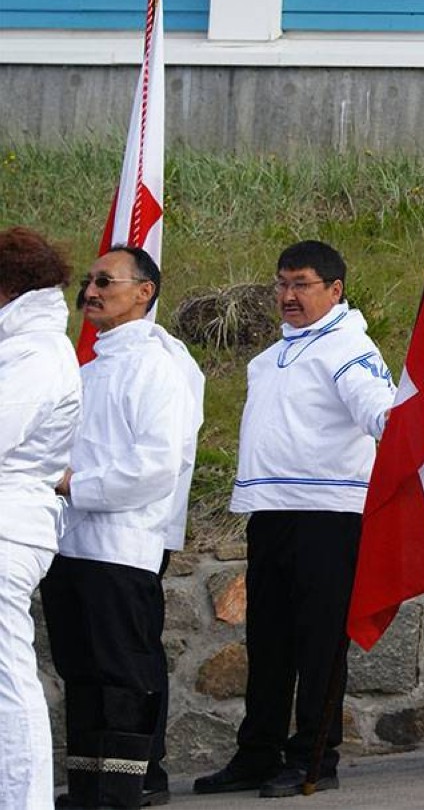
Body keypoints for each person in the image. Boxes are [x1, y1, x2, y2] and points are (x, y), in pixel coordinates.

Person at [195, 241, 395, 798]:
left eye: (301, 284)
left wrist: (398, 418)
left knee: (319, 642)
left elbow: (378, 408)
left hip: (328, 516)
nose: (288, 295)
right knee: (269, 641)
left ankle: (314, 757)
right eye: (282, 283)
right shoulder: (268, 358)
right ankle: (258, 752)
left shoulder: (349, 347)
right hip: (272, 512)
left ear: (335, 289)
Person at [43, 247, 203, 809]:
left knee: (121, 672)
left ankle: (121, 790)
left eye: (105, 281)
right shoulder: (86, 369)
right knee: (80, 670)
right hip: (71, 544)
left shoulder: (160, 367)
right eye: (88, 281)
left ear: (143, 292)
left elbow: (157, 465)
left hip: (122, 544)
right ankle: (88, 787)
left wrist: (76, 486)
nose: (90, 291)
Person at [0, 228, 81, 810]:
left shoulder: (34, 354)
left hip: (9, 525)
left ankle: (26, 801)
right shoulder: (23, 347)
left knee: (8, 677)